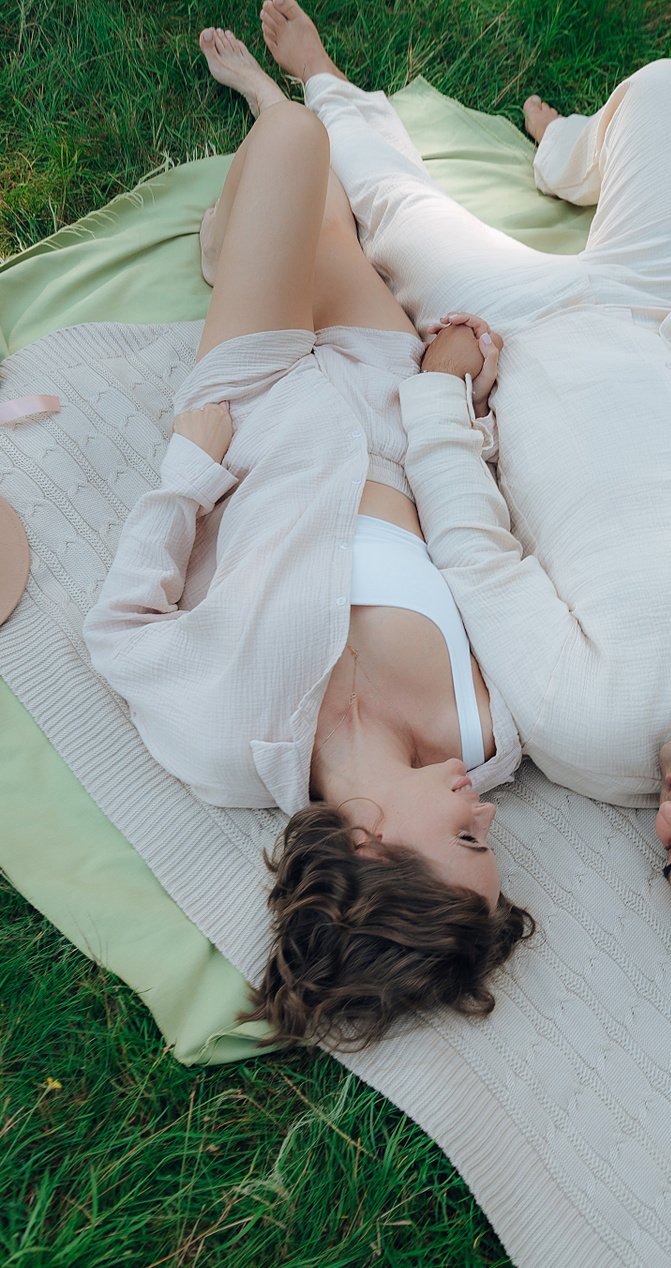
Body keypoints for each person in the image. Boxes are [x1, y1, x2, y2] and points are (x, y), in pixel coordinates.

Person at [258, 2, 671, 954]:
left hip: (515, 331)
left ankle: (321, 78)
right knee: (667, 89)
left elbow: (480, 557)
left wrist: (440, 394)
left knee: (391, 204)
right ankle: (569, 154)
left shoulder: (592, 736)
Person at [83, 28, 530, 1049]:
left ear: (370, 842)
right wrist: (460, 401)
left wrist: (188, 475)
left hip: (256, 400)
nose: (489, 815)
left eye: (467, 840)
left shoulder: (226, 743)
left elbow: (120, 627)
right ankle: (248, 235)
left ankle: (249, 179)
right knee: (328, 219)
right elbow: (485, 544)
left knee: (290, 137)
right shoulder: (490, 733)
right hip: (384, 391)